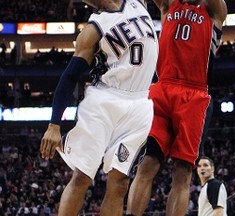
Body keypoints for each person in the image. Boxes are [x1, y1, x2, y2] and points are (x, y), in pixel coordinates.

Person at [39, 0, 159, 215]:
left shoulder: (137, 2)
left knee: (120, 183)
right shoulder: (94, 28)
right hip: (104, 101)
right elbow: (70, 77)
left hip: (140, 103)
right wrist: (54, 124)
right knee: (82, 176)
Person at [126, 0, 227, 215]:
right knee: (146, 165)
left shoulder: (214, 11)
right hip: (162, 89)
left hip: (194, 95)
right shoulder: (168, 5)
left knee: (182, 173)